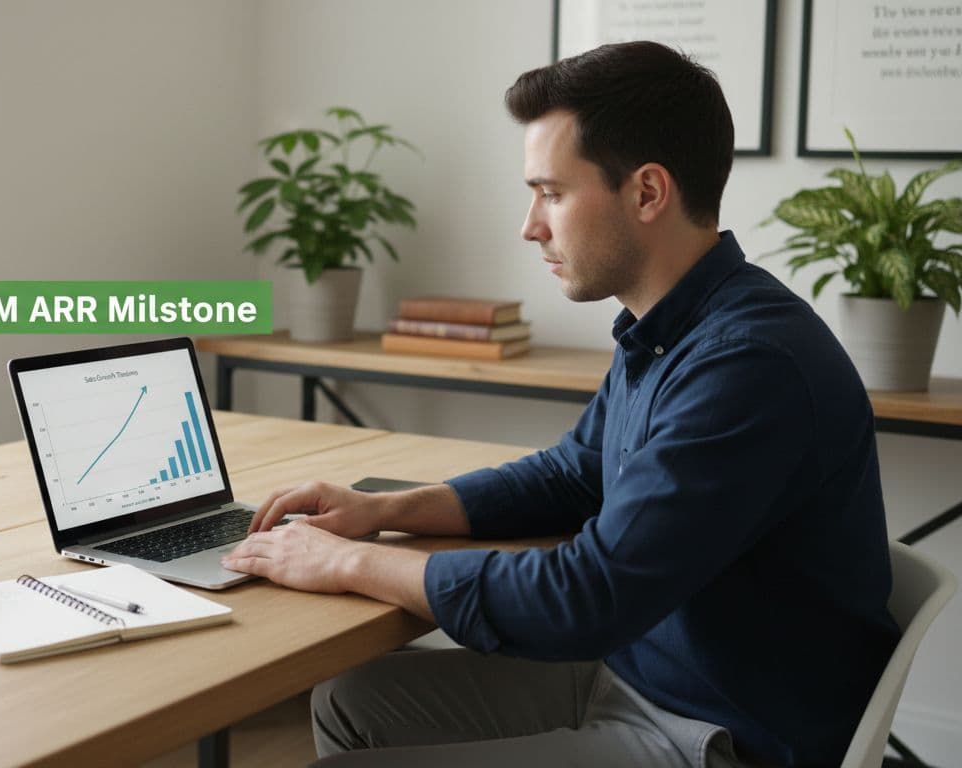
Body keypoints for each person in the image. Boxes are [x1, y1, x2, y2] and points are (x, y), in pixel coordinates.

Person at [222, 40, 900, 768]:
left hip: (719, 734)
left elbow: (587, 597)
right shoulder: (669, 327)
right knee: (351, 701)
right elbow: (574, 476)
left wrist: (348, 565)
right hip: (640, 673)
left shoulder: (748, 365)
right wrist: (382, 512)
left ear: (646, 193)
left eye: (550, 192)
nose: (530, 225)